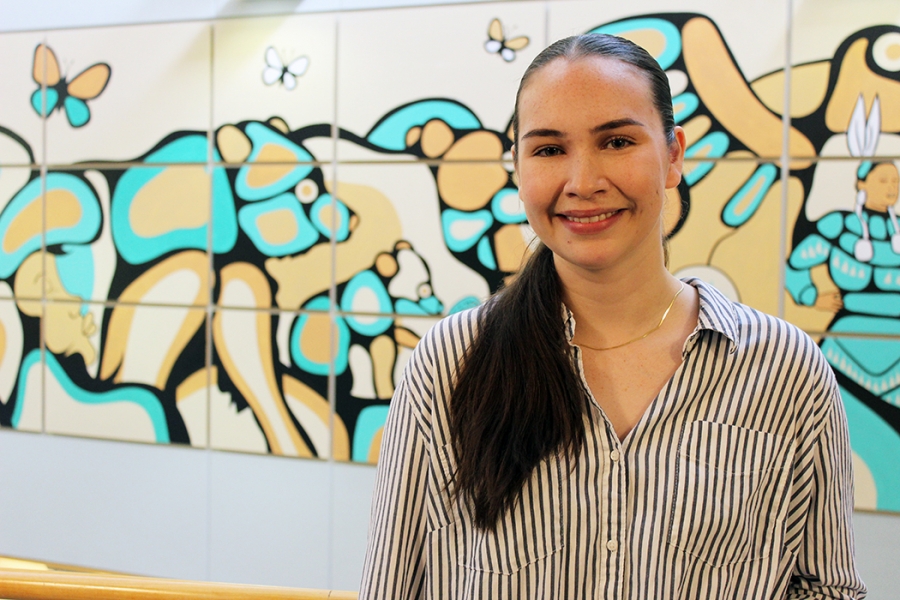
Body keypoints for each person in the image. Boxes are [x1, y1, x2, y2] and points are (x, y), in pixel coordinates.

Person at [360, 34, 866, 599]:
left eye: (617, 141)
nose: (583, 182)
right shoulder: (451, 363)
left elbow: (825, 588)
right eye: (549, 150)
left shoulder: (784, 370)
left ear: (673, 155)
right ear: (518, 167)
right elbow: (392, 586)